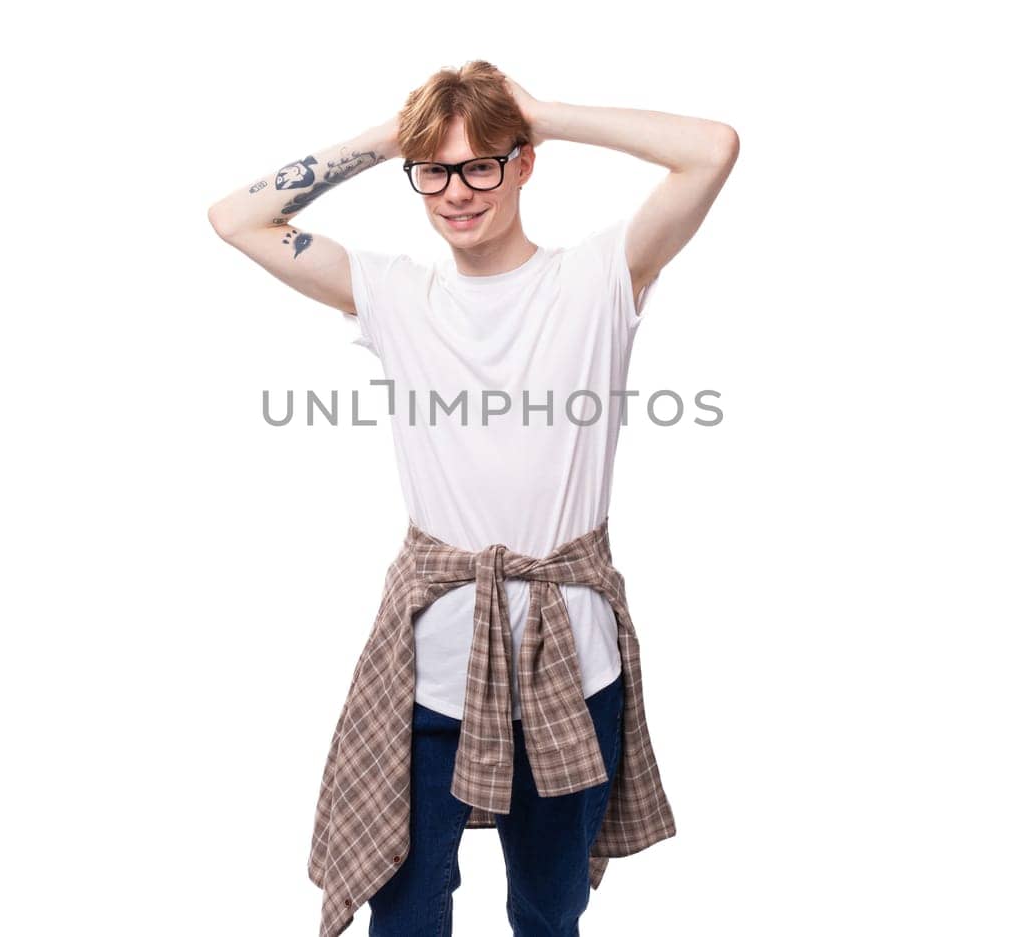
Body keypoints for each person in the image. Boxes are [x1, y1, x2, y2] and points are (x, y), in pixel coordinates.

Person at [208, 61, 738, 936]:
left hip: (574, 666)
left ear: (525, 164)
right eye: (436, 171)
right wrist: (393, 136)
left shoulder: (600, 276)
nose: (456, 191)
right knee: (408, 911)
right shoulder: (395, 294)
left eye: (482, 164)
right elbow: (237, 217)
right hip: (432, 669)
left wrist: (545, 114)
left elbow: (712, 151)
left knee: (549, 906)